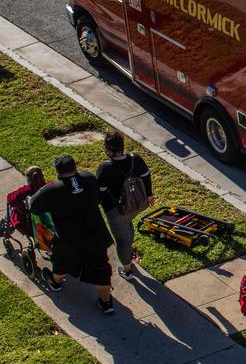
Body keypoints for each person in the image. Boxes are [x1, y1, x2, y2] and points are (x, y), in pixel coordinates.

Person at [30, 155, 115, 314]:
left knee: (62, 261)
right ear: (75, 167)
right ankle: (106, 303)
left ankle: (56, 283)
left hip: (69, 239)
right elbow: (97, 197)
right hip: (95, 235)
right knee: (101, 268)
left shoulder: (53, 190)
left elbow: (34, 206)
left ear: (58, 173)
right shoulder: (89, 178)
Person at [96, 131, 154, 280]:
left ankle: (127, 270)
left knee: (121, 240)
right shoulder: (136, 159)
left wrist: (107, 209)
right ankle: (129, 253)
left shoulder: (105, 167)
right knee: (127, 225)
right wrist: (149, 194)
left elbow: (100, 192)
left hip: (117, 211)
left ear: (108, 149)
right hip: (138, 204)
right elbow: (146, 176)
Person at [6, 166, 47, 236]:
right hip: (52, 220)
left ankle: (8, 222)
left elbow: (9, 199)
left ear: (28, 180)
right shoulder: (50, 185)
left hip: (33, 228)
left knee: (12, 207)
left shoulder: (24, 191)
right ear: (42, 176)